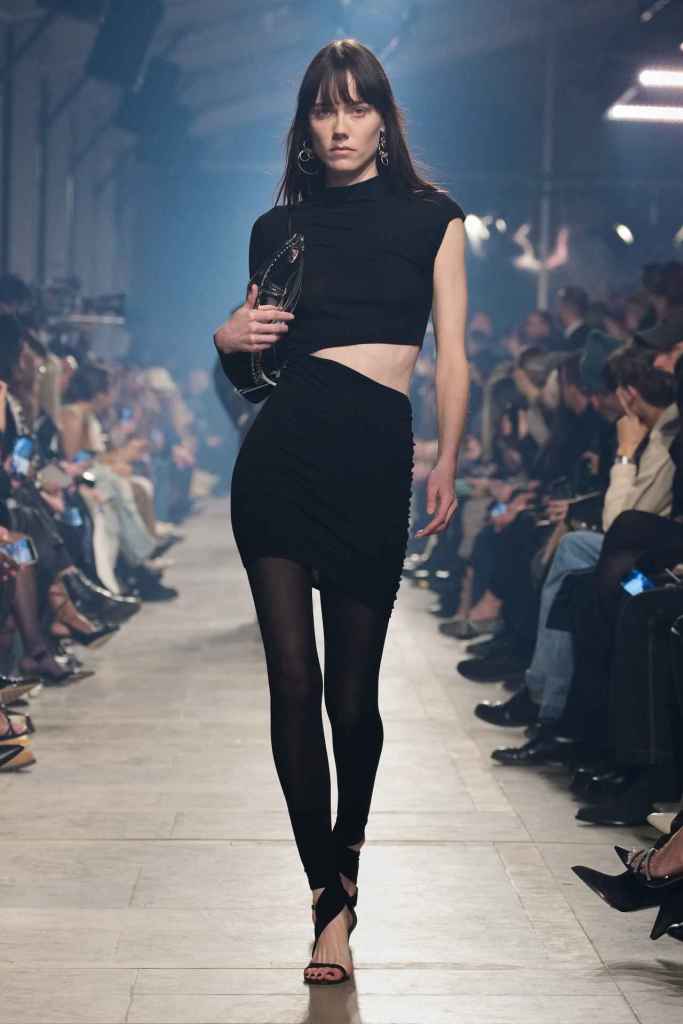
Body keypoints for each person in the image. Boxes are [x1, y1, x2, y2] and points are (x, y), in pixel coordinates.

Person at [212, 39, 468, 986]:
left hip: (372, 461)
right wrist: (226, 341)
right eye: (324, 109)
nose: (339, 126)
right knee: (293, 684)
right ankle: (325, 899)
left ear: (382, 120)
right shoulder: (276, 229)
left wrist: (447, 457)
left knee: (353, 702)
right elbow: (256, 378)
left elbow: (454, 355)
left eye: (356, 107)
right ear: (305, 125)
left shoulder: (434, 217)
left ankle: (346, 859)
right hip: (279, 461)